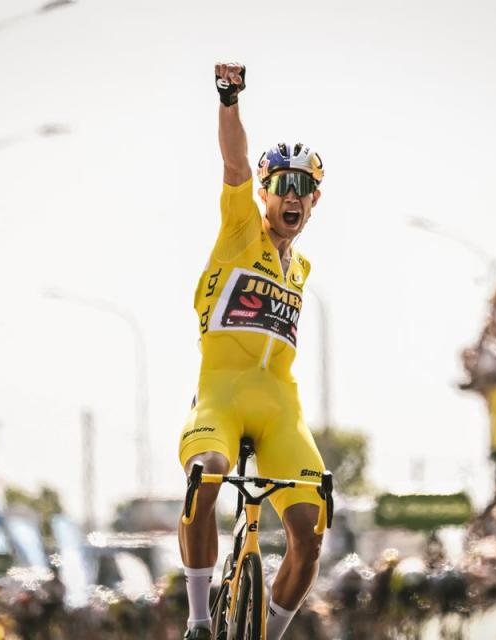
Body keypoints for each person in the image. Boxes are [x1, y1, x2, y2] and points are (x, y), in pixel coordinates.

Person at [177, 62, 327, 640]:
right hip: (222, 395)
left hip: (280, 409)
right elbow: (235, 161)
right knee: (206, 476)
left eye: (303, 189)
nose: (291, 198)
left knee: (310, 537)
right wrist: (228, 98)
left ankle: (269, 631)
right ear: (265, 194)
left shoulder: (302, 268)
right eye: (281, 186)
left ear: (314, 201)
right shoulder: (242, 229)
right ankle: (197, 621)